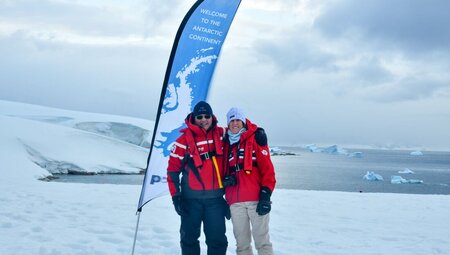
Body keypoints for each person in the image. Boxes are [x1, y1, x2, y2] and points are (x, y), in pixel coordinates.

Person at [167, 101, 229, 255]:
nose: (203, 119)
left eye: (206, 116)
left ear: (212, 116)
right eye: (199, 116)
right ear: (193, 118)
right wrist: (176, 197)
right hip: (190, 201)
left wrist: (258, 132)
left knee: (218, 241)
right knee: (189, 240)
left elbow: (240, 129)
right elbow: (172, 171)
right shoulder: (182, 141)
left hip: (215, 201)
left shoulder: (222, 134)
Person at [222, 107, 276, 255]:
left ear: (243, 121)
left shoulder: (256, 138)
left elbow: (268, 170)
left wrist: (266, 195)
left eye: (238, 120)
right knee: (242, 245)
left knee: (262, 243)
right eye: (231, 120)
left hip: (256, 200)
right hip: (235, 203)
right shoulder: (226, 143)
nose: (235, 123)